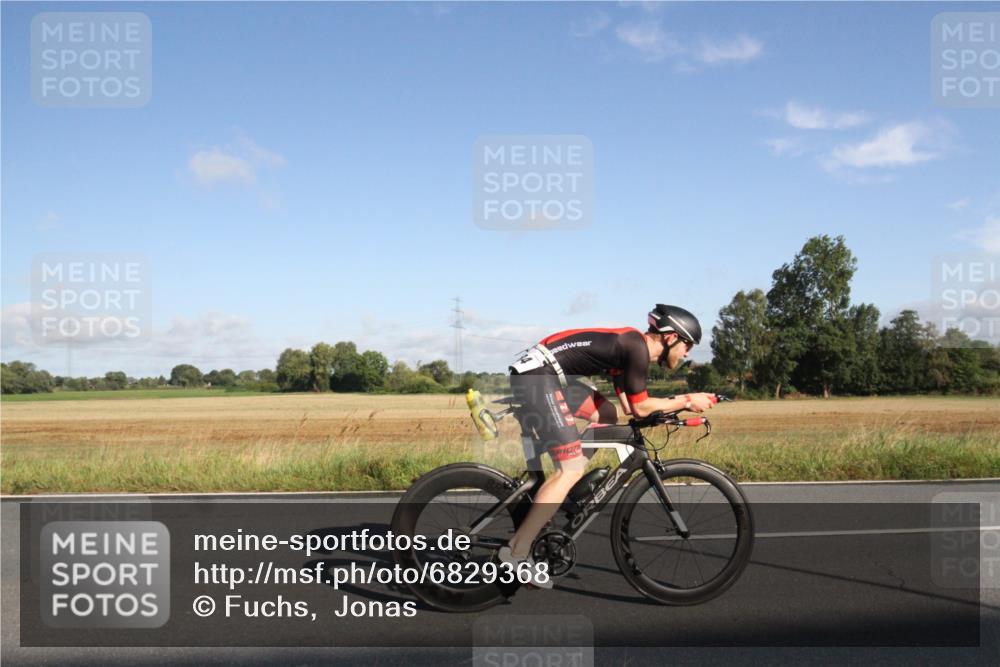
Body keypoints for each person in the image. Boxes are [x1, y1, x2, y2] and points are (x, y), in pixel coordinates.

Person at [497, 304, 718, 589]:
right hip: (540, 377)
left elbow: (628, 408)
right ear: (671, 337)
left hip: (546, 374)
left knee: (608, 417)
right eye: (688, 345)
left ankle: (565, 484)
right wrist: (687, 400)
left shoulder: (631, 349)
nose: (687, 354)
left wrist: (667, 412)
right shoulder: (636, 347)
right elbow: (640, 407)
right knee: (570, 469)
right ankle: (517, 553)